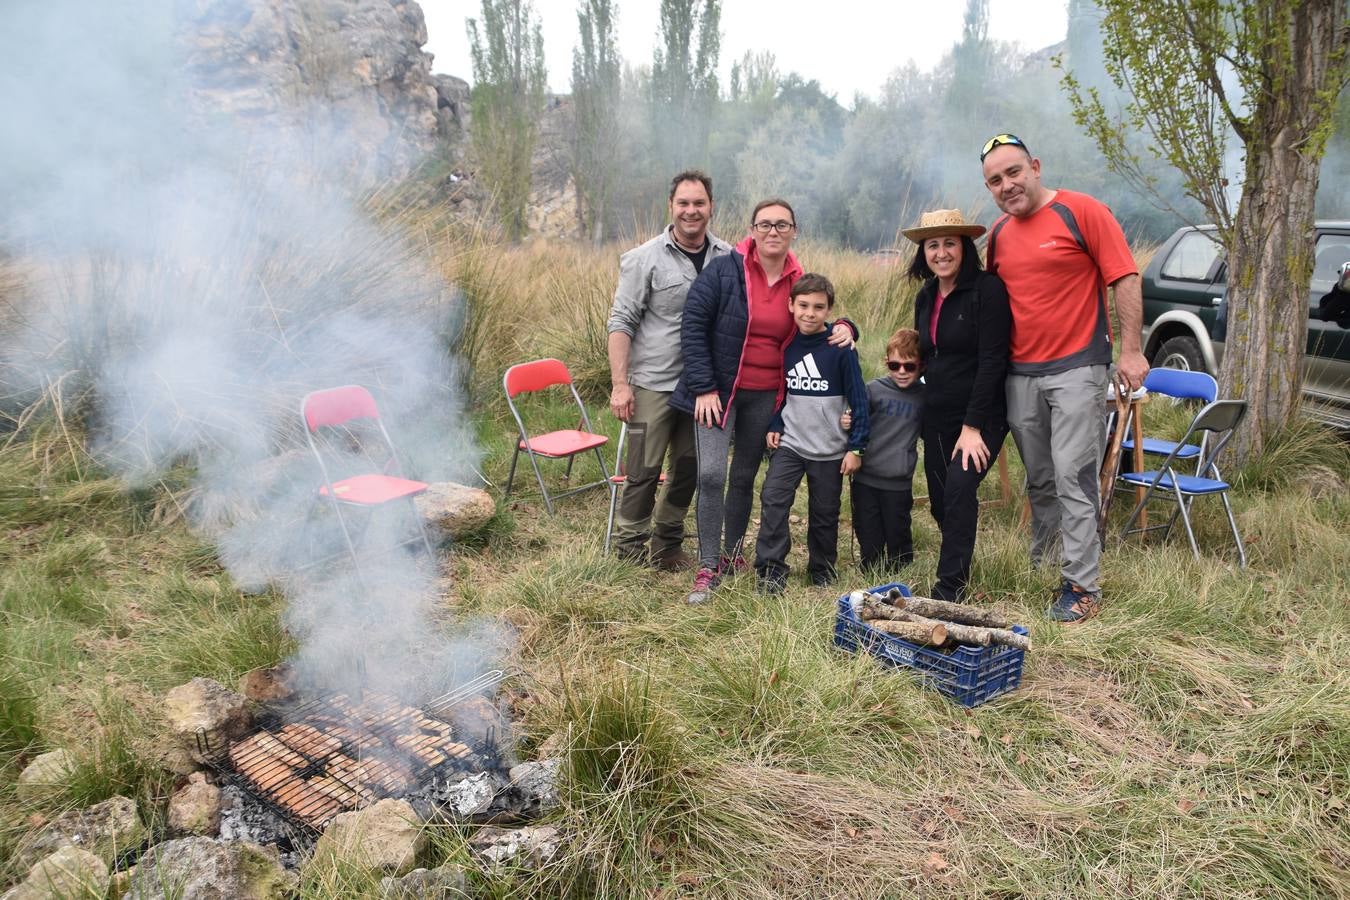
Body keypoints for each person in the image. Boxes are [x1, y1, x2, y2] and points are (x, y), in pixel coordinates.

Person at [980, 133, 1149, 623]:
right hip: (1020, 374)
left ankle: (1081, 585)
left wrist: (1132, 349)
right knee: (1041, 479)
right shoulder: (999, 235)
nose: (1007, 185)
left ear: (1035, 166)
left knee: (1075, 476)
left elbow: (1125, 277)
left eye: (1013, 172)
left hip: (1078, 368)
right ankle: (1046, 563)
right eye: (995, 180)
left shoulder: (1083, 211)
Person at [671, 199, 857, 605]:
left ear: (794, 231)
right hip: (718, 393)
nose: (773, 231)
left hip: (768, 396)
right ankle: (707, 565)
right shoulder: (724, 269)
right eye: (765, 224)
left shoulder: (798, 279)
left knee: (743, 477)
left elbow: (818, 316)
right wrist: (703, 386)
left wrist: (846, 326)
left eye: (782, 225)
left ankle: (734, 556)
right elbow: (693, 326)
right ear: (752, 229)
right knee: (712, 476)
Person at [606, 171, 732, 570]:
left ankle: (667, 545)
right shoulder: (643, 259)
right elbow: (621, 322)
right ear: (671, 207)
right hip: (652, 386)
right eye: (683, 203)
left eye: (699, 203)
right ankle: (628, 548)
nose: (691, 211)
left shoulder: (729, 258)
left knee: (689, 469)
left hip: (704, 388)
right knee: (643, 468)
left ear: (711, 207)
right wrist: (620, 385)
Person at [904, 209, 1012, 603]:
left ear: (965, 247)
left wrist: (973, 426)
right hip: (937, 414)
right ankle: (958, 559)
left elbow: (992, 361)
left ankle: (949, 589)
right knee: (938, 500)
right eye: (933, 245)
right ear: (923, 253)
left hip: (981, 416)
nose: (942, 252)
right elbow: (929, 358)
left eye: (950, 243)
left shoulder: (989, 291)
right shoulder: (926, 296)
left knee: (959, 490)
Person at [753, 274, 869, 592]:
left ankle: (821, 568)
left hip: (830, 449)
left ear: (829, 310)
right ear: (791, 305)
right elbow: (782, 391)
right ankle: (771, 570)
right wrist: (776, 424)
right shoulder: (787, 344)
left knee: (825, 511)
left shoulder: (840, 347)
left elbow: (858, 398)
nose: (809, 313)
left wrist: (856, 447)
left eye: (819, 307)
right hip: (791, 444)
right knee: (773, 499)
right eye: (803, 305)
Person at [849, 327, 924, 578]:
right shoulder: (873, 390)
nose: (901, 372)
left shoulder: (924, 398)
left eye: (909, 366)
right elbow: (857, 419)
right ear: (886, 363)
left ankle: (900, 574)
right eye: (895, 365)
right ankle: (870, 569)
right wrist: (846, 421)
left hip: (898, 482)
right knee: (868, 530)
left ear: (921, 366)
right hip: (866, 477)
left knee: (898, 531)